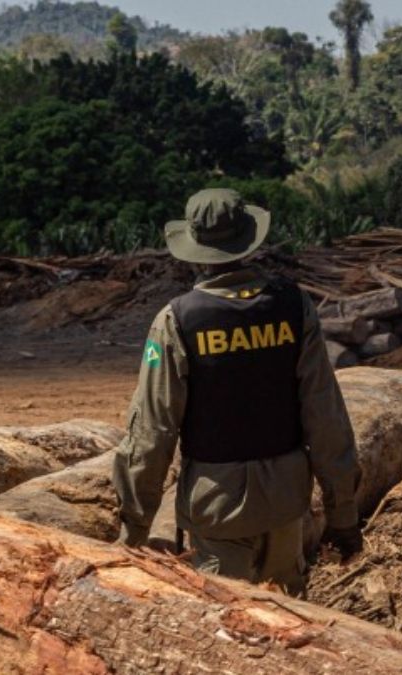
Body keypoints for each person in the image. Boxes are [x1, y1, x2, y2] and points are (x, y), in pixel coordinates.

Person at [112, 188, 362, 596]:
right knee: (288, 623)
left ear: (194, 251)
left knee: (228, 629)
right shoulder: (293, 307)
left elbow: (153, 432)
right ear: (248, 241)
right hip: (285, 502)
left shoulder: (177, 320)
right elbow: (324, 414)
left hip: (217, 509)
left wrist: (134, 527)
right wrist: (343, 513)